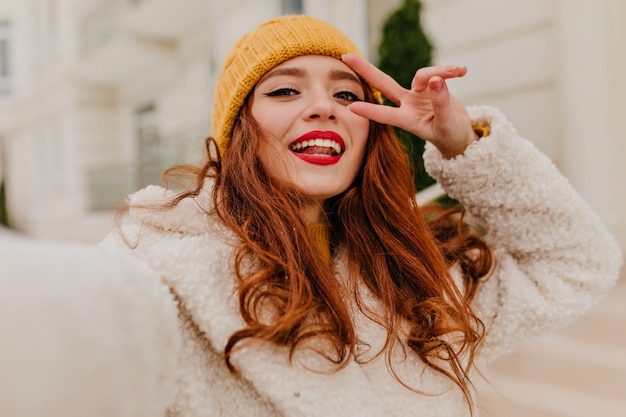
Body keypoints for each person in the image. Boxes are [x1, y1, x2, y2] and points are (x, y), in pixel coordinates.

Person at [3, 14, 621, 417]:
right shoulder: (160, 269)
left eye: (346, 94)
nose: (323, 106)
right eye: (285, 89)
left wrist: (461, 142)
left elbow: (579, 263)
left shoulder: (414, 278)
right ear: (239, 128)